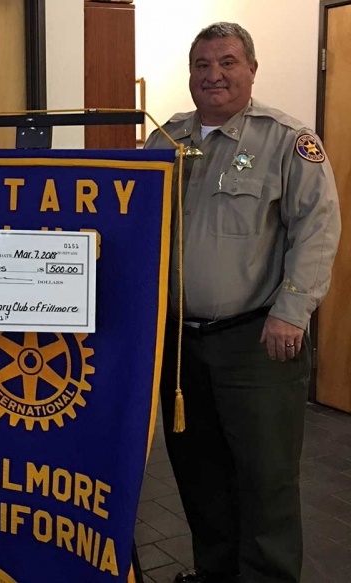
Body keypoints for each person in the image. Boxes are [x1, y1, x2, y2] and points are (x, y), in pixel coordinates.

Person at [144, 23, 341, 583]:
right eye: (202, 64)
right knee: (199, 474)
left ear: (251, 68)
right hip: (180, 343)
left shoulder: (287, 140)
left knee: (265, 478)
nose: (214, 75)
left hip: (256, 341)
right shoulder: (164, 141)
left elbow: (318, 230)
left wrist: (291, 312)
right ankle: (216, 573)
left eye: (228, 62)